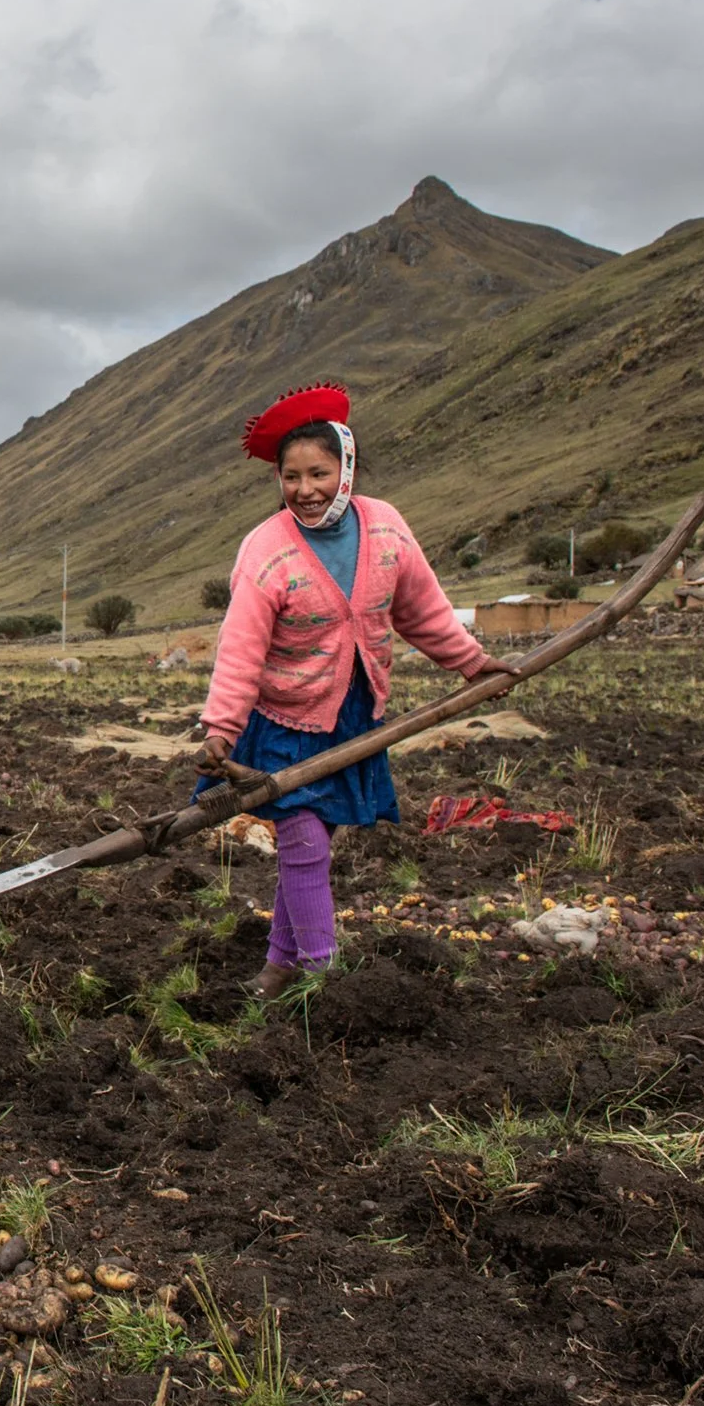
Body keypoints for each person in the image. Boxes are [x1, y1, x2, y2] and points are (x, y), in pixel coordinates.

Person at [197, 384, 514, 998]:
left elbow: (421, 610)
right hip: (281, 720)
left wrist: (473, 665)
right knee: (304, 838)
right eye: (291, 477)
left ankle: (278, 965)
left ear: (347, 470)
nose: (305, 488)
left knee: (311, 844)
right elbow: (241, 649)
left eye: (319, 472)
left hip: (353, 714)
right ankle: (323, 978)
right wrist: (221, 731)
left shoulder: (387, 529)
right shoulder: (266, 550)